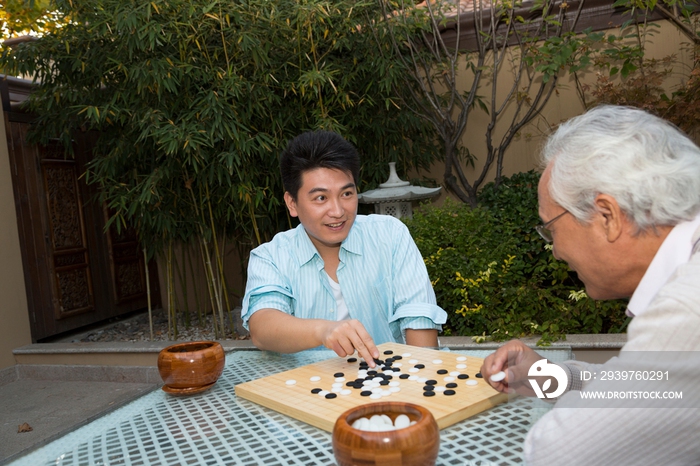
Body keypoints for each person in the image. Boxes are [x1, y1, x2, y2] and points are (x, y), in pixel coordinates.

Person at [481, 105, 700, 465]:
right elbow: (652, 382)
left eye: (550, 228)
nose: (555, 252)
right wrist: (550, 376)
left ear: (607, 216)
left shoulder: (689, 309)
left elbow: (558, 453)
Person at [241, 130, 447, 366]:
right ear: (292, 203)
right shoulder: (271, 257)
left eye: (346, 193)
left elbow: (418, 318)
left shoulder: (390, 235)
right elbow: (263, 325)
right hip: (307, 389)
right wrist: (324, 331)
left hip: (390, 381)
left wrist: (420, 378)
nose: (338, 211)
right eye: (321, 198)